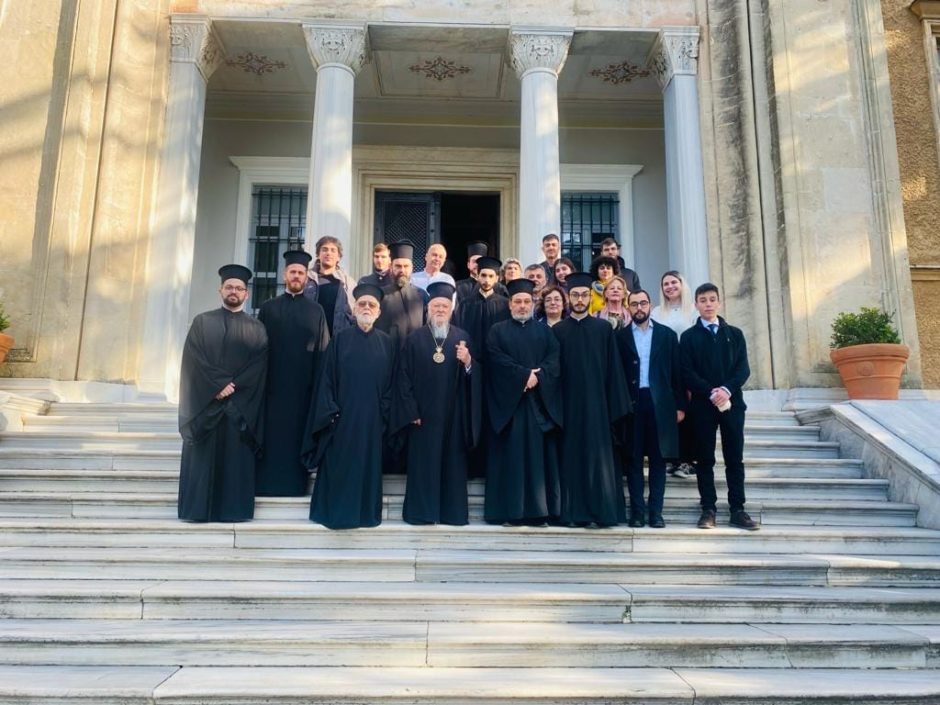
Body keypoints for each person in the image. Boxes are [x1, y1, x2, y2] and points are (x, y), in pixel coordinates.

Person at [178, 264, 268, 523]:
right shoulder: (202, 322)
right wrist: (217, 386)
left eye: (239, 288)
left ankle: (233, 512)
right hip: (205, 406)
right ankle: (198, 511)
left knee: (234, 461)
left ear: (246, 294)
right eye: (229, 287)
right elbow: (193, 360)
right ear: (220, 290)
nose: (234, 292)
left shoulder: (257, 328)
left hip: (239, 410)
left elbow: (258, 367)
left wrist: (232, 388)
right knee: (202, 461)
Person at [305, 283, 396, 529]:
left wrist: (383, 414)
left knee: (367, 468)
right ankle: (335, 514)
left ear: (379, 312)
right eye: (362, 304)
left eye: (372, 305)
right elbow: (326, 380)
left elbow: (392, 384)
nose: (366, 308)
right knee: (339, 466)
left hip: (372, 422)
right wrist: (331, 412)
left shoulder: (387, 343)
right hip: (341, 419)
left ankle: (365, 515)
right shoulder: (339, 341)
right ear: (354, 309)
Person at [393, 282, 481, 525]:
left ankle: (452, 514)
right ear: (428, 309)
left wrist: (469, 362)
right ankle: (422, 513)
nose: (440, 310)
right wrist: (410, 410)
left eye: (444, 306)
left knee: (453, 466)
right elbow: (402, 377)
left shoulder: (462, 338)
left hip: (454, 416)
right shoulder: (414, 339)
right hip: (423, 417)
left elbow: (475, 378)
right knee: (424, 466)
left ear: (451, 310)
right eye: (435, 306)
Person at [552, 273, 632, 528]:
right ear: (568, 298)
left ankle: (601, 513)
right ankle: (572, 514)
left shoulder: (603, 329)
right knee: (571, 459)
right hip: (568, 407)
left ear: (590, 297)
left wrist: (613, 408)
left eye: (584, 295)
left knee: (599, 460)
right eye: (575, 295)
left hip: (598, 407)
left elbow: (614, 371)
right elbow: (553, 373)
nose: (579, 299)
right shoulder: (558, 331)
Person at [484, 278, 563, 525]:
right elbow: (495, 359)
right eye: (517, 301)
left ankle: (540, 513)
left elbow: (554, 360)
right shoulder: (497, 331)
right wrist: (523, 375)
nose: (522, 306)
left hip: (539, 406)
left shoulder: (545, 331)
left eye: (526, 302)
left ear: (532, 303)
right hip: (510, 409)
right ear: (510, 304)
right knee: (512, 460)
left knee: (539, 461)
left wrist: (538, 377)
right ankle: (511, 513)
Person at [680, 282, 759, 531]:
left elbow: (742, 369)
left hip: (732, 405)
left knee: (734, 457)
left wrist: (726, 390)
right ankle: (708, 509)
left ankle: (738, 509)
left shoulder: (734, 334)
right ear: (696, 304)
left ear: (719, 302)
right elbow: (686, 372)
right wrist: (710, 391)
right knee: (705, 458)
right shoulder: (688, 337)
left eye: (712, 299)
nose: (708, 304)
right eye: (703, 300)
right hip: (702, 406)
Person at [256, 250, 330, 497]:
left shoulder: (316, 311)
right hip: (273, 389)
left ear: (307, 277)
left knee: (298, 437)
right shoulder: (268, 309)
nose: (296, 276)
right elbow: (259, 349)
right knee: (272, 438)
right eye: (292, 272)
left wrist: (319, 387)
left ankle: (296, 486)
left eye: (301, 272)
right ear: (284, 275)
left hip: (303, 391)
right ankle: (267, 485)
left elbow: (323, 351)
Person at [617, 289, 686, 528]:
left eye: (643, 303)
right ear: (628, 307)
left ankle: (656, 513)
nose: (639, 308)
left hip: (661, 405)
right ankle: (637, 513)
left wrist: (680, 406)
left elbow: (677, 373)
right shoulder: (620, 337)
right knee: (634, 460)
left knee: (658, 461)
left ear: (650, 305)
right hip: (632, 404)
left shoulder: (667, 335)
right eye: (634, 304)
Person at [453, 256, 510, 479]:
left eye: (490, 276)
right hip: (471, 370)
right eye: (483, 275)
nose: (486, 280)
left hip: (497, 373)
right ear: (477, 276)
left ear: (497, 278)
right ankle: (472, 468)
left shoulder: (504, 304)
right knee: (471, 416)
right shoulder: (465, 304)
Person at [651, 270, 698, 479]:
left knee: (687, 412)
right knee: (670, 413)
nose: (669, 287)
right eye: (666, 284)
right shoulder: (656, 312)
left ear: (681, 284)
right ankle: (673, 458)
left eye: (673, 282)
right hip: (665, 368)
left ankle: (688, 460)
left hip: (687, 364)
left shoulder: (693, 310)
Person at [375, 239, 428, 349]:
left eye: (406, 266)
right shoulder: (380, 295)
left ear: (412, 268)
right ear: (391, 267)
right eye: (398, 266)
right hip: (388, 353)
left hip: (415, 353)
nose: (402, 270)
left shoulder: (422, 295)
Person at [305, 236, 355, 337]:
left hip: (339, 337)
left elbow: (354, 313)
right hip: (311, 337)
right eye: (324, 249)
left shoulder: (348, 282)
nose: (328, 253)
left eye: (333, 250)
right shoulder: (307, 279)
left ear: (338, 257)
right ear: (318, 254)